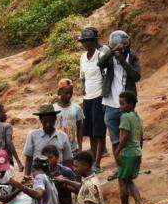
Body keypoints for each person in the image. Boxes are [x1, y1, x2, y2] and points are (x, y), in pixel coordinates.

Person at [100, 29, 141, 149]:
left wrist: (123, 61)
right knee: (115, 140)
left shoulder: (132, 57)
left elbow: (136, 76)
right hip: (111, 104)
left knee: (129, 137)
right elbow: (100, 64)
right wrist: (111, 53)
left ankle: (130, 162)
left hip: (127, 105)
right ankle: (120, 165)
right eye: (116, 47)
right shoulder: (109, 58)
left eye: (122, 47)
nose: (120, 50)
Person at [78, 27, 109, 170]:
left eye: (89, 41)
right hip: (87, 98)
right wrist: (82, 86)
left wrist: (105, 97)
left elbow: (107, 76)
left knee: (99, 131)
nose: (86, 44)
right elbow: (82, 76)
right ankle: (94, 162)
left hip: (99, 96)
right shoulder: (83, 57)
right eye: (84, 41)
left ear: (94, 41)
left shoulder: (100, 55)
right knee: (90, 131)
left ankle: (98, 162)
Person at [112, 92, 145, 204]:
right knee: (125, 179)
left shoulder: (125, 117)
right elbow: (141, 137)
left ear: (130, 104)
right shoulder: (137, 117)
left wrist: (117, 150)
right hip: (137, 152)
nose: (120, 107)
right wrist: (138, 150)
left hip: (128, 153)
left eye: (122, 104)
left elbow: (124, 136)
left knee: (125, 180)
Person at [23, 104, 74, 175]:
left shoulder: (63, 136)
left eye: (51, 121)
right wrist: (26, 176)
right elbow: (29, 159)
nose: (48, 124)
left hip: (58, 176)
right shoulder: (32, 135)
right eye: (45, 122)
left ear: (55, 119)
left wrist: (66, 176)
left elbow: (67, 160)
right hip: (38, 175)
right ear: (41, 120)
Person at [54, 78, 83, 154]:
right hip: (56, 150)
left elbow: (80, 128)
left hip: (72, 149)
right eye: (66, 93)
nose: (69, 95)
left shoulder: (77, 108)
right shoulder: (53, 109)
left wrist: (80, 147)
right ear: (59, 92)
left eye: (71, 93)